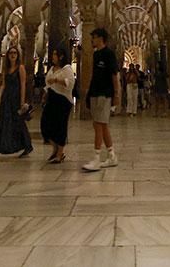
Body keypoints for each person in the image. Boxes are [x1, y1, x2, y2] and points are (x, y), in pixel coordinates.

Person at [0, 47, 34, 161]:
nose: (12, 55)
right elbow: (4, 85)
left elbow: (23, 85)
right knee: (3, 123)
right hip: (6, 99)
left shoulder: (20, 68)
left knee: (18, 123)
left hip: (16, 99)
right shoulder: (6, 69)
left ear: (18, 55)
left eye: (15, 53)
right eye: (10, 53)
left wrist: (22, 102)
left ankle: (26, 145)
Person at [82, 28, 121, 172]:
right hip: (95, 92)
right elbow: (94, 75)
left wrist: (116, 95)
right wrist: (88, 94)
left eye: (94, 37)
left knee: (99, 124)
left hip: (104, 94)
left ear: (101, 38)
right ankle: (111, 156)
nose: (92, 39)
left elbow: (114, 75)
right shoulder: (96, 54)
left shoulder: (109, 54)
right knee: (101, 125)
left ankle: (96, 158)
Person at [40, 47, 75, 164]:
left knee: (60, 126)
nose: (53, 56)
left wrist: (56, 80)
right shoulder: (51, 68)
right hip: (52, 99)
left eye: (55, 54)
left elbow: (69, 84)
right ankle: (55, 149)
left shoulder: (67, 69)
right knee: (45, 124)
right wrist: (45, 94)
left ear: (61, 56)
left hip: (63, 100)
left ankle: (59, 153)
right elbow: (47, 83)